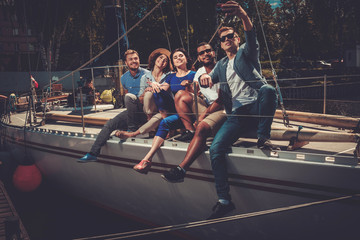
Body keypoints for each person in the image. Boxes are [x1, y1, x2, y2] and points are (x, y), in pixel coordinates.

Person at [199, 1, 278, 219]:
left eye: (230, 36)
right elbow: (208, 80)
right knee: (215, 149)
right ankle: (224, 200)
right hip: (237, 113)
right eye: (222, 39)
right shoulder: (221, 64)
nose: (226, 40)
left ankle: (264, 137)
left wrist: (243, 14)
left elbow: (251, 34)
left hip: (257, 105)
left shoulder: (246, 52)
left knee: (268, 89)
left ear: (237, 39)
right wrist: (204, 80)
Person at [161, 42, 227, 182]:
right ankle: (190, 131)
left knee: (202, 126)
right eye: (202, 53)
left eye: (208, 51)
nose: (205, 54)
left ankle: (181, 168)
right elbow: (193, 95)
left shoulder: (223, 67)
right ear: (198, 57)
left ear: (213, 52)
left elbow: (221, 100)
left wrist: (202, 116)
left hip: (224, 108)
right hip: (209, 106)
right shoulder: (199, 72)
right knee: (180, 94)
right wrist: (188, 88)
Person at [78, 49, 149, 162]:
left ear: (139, 60)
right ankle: (93, 153)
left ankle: (131, 130)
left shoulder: (147, 74)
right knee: (110, 124)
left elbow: (148, 97)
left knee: (129, 98)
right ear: (126, 63)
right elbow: (127, 96)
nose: (134, 61)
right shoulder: (123, 78)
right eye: (130, 59)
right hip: (131, 110)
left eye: (136, 58)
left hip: (145, 110)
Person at [132, 48, 196, 173]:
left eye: (180, 56)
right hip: (177, 113)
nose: (178, 58)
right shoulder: (171, 77)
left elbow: (199, 95)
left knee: (171, 100)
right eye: (175, 57)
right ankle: (147, 159)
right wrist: (154, 85)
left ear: (186, 58)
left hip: (190, 113)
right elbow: (163, 88)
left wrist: (189, 85)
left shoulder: (194, 74)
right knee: (157, 92)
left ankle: (179, 129)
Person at [114, 48, 172, 139]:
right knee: (148, 93)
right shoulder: (145, 77)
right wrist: (145, 91)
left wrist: (155, 87)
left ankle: (133, 134)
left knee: (159, 115)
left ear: (167, 64)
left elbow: (166, 92)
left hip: (162, 108)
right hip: (149, 109)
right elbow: (140, 100)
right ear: (156, 59)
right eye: (160, 58)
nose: (162, 61)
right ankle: (147, 121)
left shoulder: (169, 76)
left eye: (165, 60)